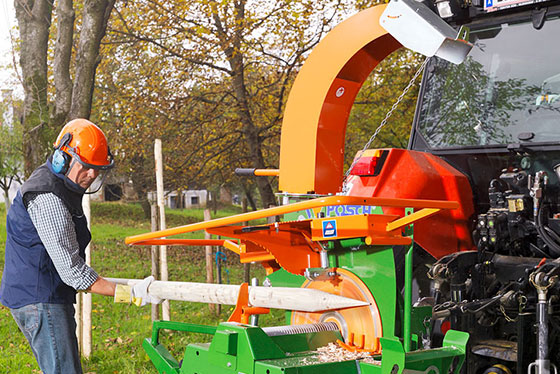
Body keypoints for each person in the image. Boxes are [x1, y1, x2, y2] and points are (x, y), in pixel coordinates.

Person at [0, 119, 159, 374]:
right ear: (63, 158)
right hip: (41, 300)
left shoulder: (57, 184)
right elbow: (73, 272)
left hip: (42, 294)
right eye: (86, 166)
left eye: (98, 168)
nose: (93, 174)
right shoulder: (48, 197)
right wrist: (130, 293)